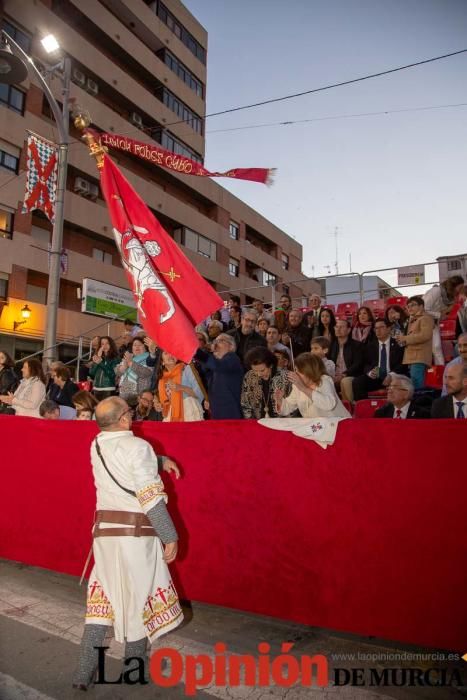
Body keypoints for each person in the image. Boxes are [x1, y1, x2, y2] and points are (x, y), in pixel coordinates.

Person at [72, 397, 182, 689]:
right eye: (129, 411)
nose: (132, 415)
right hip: (136, 539)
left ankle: (83, 673)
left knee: (102, 601)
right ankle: (135, 669)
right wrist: (170, 536)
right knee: (139, 601)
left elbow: (123, 462)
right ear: (123, 419)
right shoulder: (138, 447)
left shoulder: (96, 444)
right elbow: (151, 500)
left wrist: (160, 461)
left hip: (105, 538)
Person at [274, 353, 351, 419]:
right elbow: (288, 408)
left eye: (298, 370)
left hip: (338, 426)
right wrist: (280, 400)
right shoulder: (297, 386)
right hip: (315, 428)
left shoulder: (324, 380)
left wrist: (303, 388)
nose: (296, 373)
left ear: (309, 371)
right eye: (295, 370)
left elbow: (329, 404)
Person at [352, 318, 406, 401]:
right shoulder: (370, 346)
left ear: (389, 329)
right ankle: (364, 408)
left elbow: (403, 364)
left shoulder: (397, 344)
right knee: (358, 382)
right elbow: (365, 363)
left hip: (394, 377)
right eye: (376, 328)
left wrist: (391, 375)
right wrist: (370, 372)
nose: (378, 331)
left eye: (381, 327)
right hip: (376, 378)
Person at [194, 333, 243, 419]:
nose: (215, 344)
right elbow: (208, 377)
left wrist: (196, 352)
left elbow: (216, 365)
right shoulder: (218, 363)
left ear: (231, 346)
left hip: (230, 413)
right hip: (217, 412)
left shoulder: (232, 358)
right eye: (215, 341)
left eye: (220, 341)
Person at [423, 275, 464, 365]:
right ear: (454, 285)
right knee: (429, 349)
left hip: (434, 322)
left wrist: (445, 312)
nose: (460, 290)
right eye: (460, 287)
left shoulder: (451, 298)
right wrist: (440, 315)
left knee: (437, 347)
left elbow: (442, 313)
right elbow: (423, 309)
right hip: (423, 323)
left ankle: (441, 371)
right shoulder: (436, 291)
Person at [241, 346, 291, 419]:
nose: (259, 374)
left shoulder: (286, 376)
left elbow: (293, 404)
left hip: (282, 423)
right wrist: (250, 422)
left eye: (262, 370)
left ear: (271, 365)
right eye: (255, 370)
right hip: (258, 422)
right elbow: (245, 403)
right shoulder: (249, 376)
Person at [396, 296, 434, 390]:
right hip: (413, 357)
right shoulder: (412, 320)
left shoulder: (425, 318)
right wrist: (402, 340)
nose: (410, 308)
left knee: (417, 385)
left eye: (413, 305)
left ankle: (419, 403)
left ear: (421, 306)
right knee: (415, 384)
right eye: (408, 306)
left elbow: (425, 336)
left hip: (419, 357)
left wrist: (405, 338)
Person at [158, 352, 204, 422]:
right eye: (166, 353)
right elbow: (164, 404)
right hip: (171, 414)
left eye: (172, 352)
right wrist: (160, 406)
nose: (170, 355)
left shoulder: (187, 369)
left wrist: (182, 388)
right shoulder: (162, 380)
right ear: (162, 362)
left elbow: (200, 393)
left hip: (189, 410)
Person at [328, 318, 363, 402]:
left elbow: (358, 364)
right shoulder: (331, 345)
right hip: (334, 376)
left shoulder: (357, 345)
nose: (338, 329)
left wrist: (344, 375)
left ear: (348, 330)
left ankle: (349, 409)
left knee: (345, 381)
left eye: (341, 327)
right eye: (336, 327)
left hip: (350, 376)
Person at [116, 337, 153, 402]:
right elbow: (117, 372)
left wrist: (131, 363)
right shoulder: (130, 357)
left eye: (139, 345)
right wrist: (124, 366)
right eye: (135, 345)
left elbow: (146, 373)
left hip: (140, 396)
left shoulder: (149, 359)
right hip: (125, 392)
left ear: (145, 347)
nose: (137, 347)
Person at [88, 336, 120, 401]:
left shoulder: (115, 358)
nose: (104, 346)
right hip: (96, 389)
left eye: (107, 343)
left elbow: (112, 375)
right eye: (102, 344)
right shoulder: (98, 357)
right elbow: (91, 373)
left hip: (108, 389)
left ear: (111, 345)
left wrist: (100, 363)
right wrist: (98, 359)